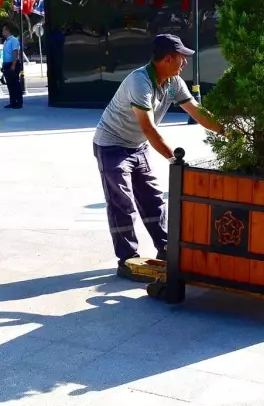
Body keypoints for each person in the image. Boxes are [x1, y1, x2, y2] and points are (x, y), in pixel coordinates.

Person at [93, 34, 223, 279]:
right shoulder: (139, 82)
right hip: (111, 145)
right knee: (122, 200)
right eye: (181, 58)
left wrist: (226, 129)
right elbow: (149, 128)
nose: (184, 63)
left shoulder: (174, 82)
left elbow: (196, 111)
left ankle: (165, 247)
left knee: (152, 198)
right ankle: (127, 259)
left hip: (137, 146)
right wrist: (174, 158)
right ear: (166, 59)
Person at [0, 24, 24, 109]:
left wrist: (13, 64)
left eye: (4, 30)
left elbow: (15, 53)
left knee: (15, 84)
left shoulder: (14, 40)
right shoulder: (6, 41)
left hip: (12, 64)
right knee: (9, 84)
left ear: (8, 30)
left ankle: (19, 102)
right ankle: (12, 102)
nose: (2, 32)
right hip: (7, 64)